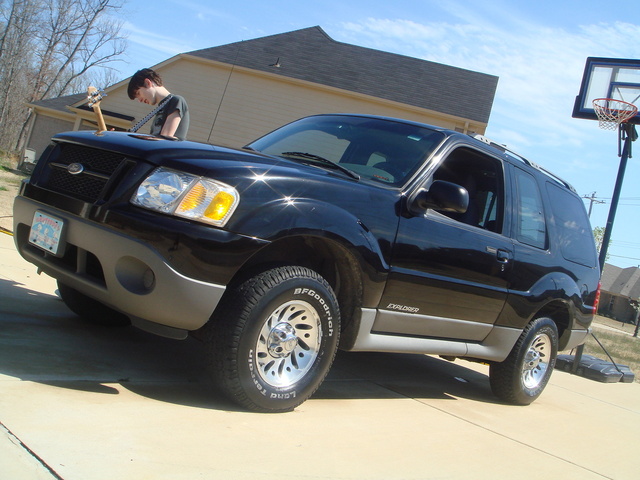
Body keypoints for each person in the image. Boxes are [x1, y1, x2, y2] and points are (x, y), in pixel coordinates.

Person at [127, 68, 190, 140]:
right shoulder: (160, 108)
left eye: (138, 93)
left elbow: (165, 138)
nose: (140, 100)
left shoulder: (176, 101)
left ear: (148, 83)